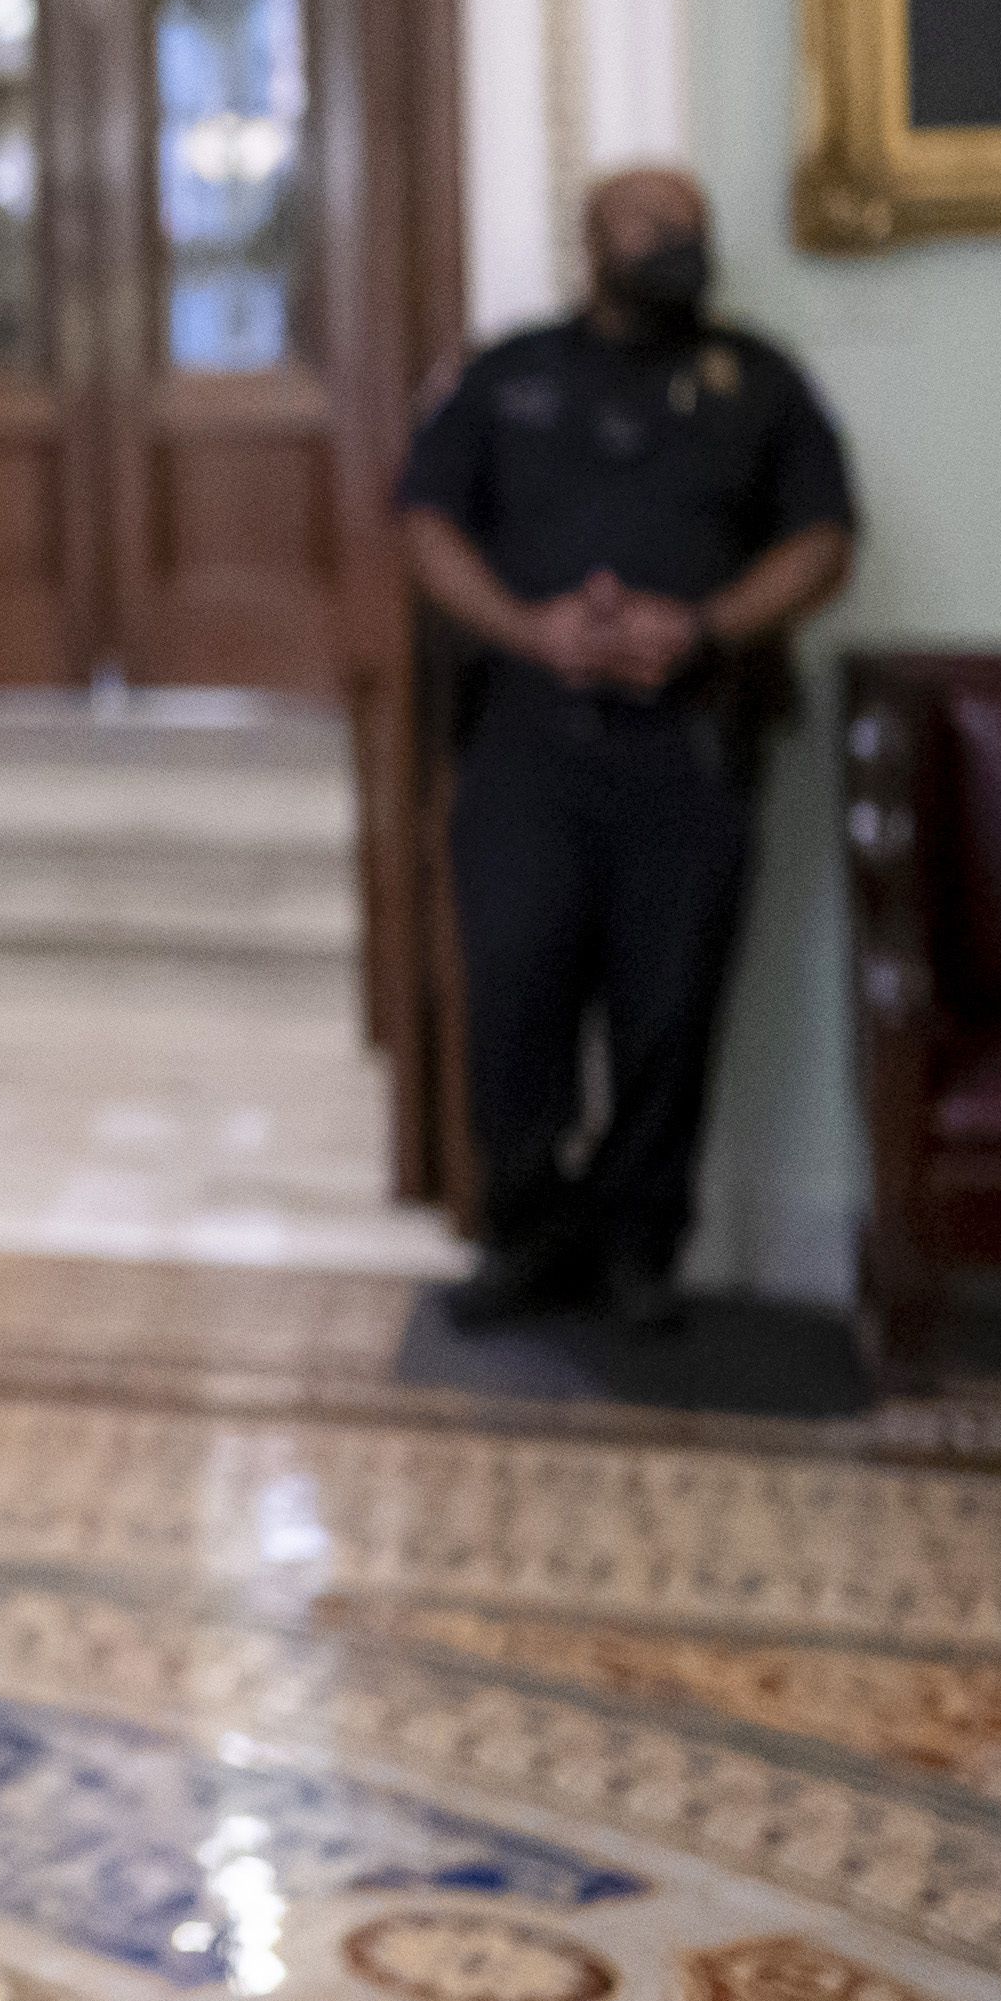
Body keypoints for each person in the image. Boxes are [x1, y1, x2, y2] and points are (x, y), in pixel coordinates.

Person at [395, 165, 859, 1335]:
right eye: (649, 226)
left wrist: (701, 626)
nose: (675, 244)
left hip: (690, 743)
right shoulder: (508, 376)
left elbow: (824, 539)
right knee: (515, 987)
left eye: (693, 226)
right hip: (527, 744)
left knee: (668, 1006)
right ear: (592, 243)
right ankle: (523, 1231)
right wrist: (525, 628)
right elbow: (423, 518)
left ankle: (638, 1249)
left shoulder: (757, 381)